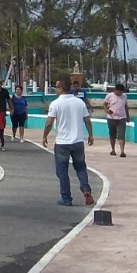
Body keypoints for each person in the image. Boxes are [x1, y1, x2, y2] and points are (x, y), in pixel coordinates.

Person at [41, 78, 95, 206]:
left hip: (62, 143)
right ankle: (86, 189)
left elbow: (49, 123)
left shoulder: (56, 104)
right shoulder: (79, 103)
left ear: (61, 89)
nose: (55, 89)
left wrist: (44, 136)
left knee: (62, 171)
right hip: (77, 141)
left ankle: (66, 197)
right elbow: (87, 120)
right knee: (81, 167)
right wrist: (90, 135)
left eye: (56, 87)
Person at [104, 83, 129, 158]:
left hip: (122, 118)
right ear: (115, 90)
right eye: (119, 92)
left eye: (121, 92)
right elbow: (104, 104)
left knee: (121, 135)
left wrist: (128, 116)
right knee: (112, 134)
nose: (120, 93)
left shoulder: (124, 96)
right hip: (111, 118)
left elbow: (126, 107)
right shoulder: (110, 95)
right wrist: (107, 111)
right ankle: (113, 150)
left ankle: (122, 151)